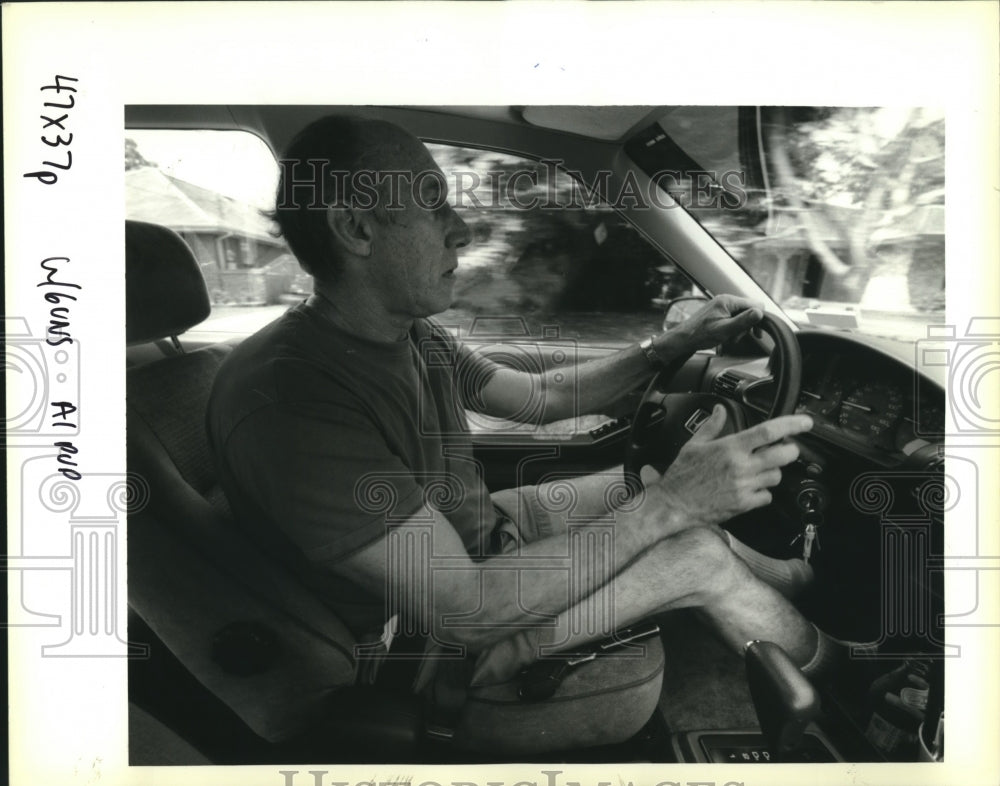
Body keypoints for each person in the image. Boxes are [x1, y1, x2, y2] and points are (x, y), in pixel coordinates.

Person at [206, 114, 835, 704]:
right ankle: (841, 681)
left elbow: (545, 398)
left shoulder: (409, 335)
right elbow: (465, 609)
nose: (462, 228)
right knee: (688, 543)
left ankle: (803, 582)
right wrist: (672, 506)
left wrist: (669, 346)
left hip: (474, 543)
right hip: (417, 642)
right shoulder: (292, 398)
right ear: (357, 229)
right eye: (433, 204)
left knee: (633, 486)